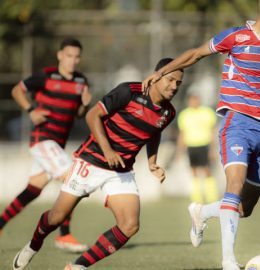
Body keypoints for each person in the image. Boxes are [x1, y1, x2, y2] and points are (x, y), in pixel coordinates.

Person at [143, 0, 260, 269]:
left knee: (244, 208)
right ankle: (229, 261)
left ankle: (202, 211)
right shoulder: (235, 36)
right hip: (237, 124)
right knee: (234, 185)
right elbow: (196, 54)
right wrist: (161, 72)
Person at [12, 58, 183, 270]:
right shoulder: (129, 91)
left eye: (179, 83)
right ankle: (33, 245)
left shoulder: (168, 112)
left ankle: (78, 266)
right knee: (57, 217)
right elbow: (93, 115)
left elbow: (153, 133)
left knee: (129, 225)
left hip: (121, 170)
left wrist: (152, 162)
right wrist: (108, 150)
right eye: (171, 79)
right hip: (91, 160)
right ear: (157, 76)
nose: (174, 86)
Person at [1, 38, 91, 252]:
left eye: (76, 57)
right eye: (69, 55)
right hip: (43, 140)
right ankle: (64, 235)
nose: (73, 60)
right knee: (73, 178)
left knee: (34, 188)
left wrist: (85, 106)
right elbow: (17, 91)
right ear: (60, 55)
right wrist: (31, 110)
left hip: (57, 146)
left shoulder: (81, 81)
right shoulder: (46, 75)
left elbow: (79, 115)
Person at [177, 93, 218, 203]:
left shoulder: (207, 112)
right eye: (191, 100)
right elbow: (182, 133)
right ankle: (197, 198)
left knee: (207, 170)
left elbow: (213, 131)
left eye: (196, 100)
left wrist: (213, 149)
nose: (194, 102)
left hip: (205, 145)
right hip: (191, 146)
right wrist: (179, 151)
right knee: (193, 171)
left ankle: (211, 197)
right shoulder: (184, 115)